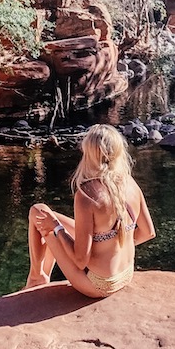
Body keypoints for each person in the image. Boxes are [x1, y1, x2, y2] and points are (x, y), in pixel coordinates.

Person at [25, 124, 156, 298]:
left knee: (37, 212)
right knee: (48, 215)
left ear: (89, 154)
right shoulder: (130, 183)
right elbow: (148, 233)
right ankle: (41, 277)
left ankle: (36, 278)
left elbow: (80, 261)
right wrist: (114, 243)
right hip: (126, 274)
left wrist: (57, 228)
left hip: (98, 285)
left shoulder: (87, 195)